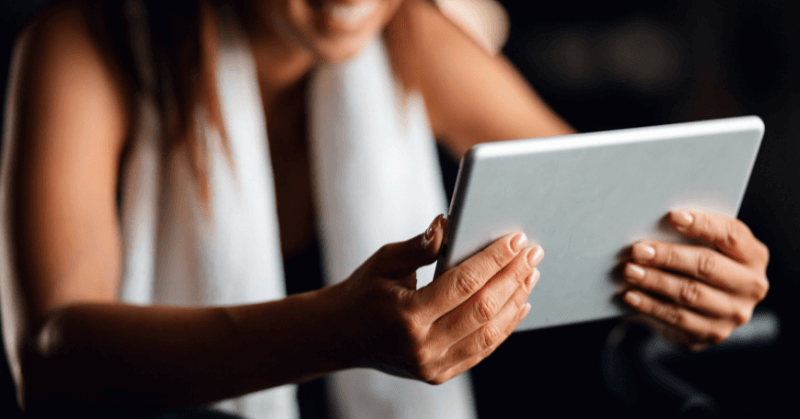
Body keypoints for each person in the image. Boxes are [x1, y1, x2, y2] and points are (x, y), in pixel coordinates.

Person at [0, 0, 769, 418]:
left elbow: (621, 209)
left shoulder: (412, 34)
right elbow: (51, 357)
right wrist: (331, 330)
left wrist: (700, 282)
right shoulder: (87, 42)